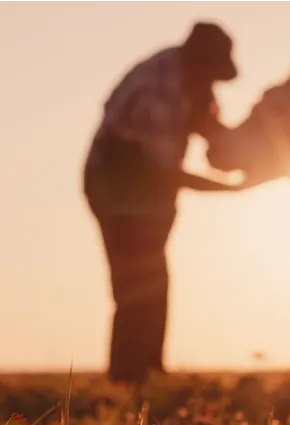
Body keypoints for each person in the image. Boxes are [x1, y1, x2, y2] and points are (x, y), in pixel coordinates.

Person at [83, 21, 244, 384]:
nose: (214, 85)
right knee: (136, 283)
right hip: (118, 191)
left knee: (154, 282)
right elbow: (165, 173)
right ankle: (129, 380)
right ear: (200, 62)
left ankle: (150, 376)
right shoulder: (157, 89)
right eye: (213, 73)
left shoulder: (193, 85)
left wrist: (250, 152)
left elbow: (213, 132)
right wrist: (231, 188)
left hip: (150, 195)